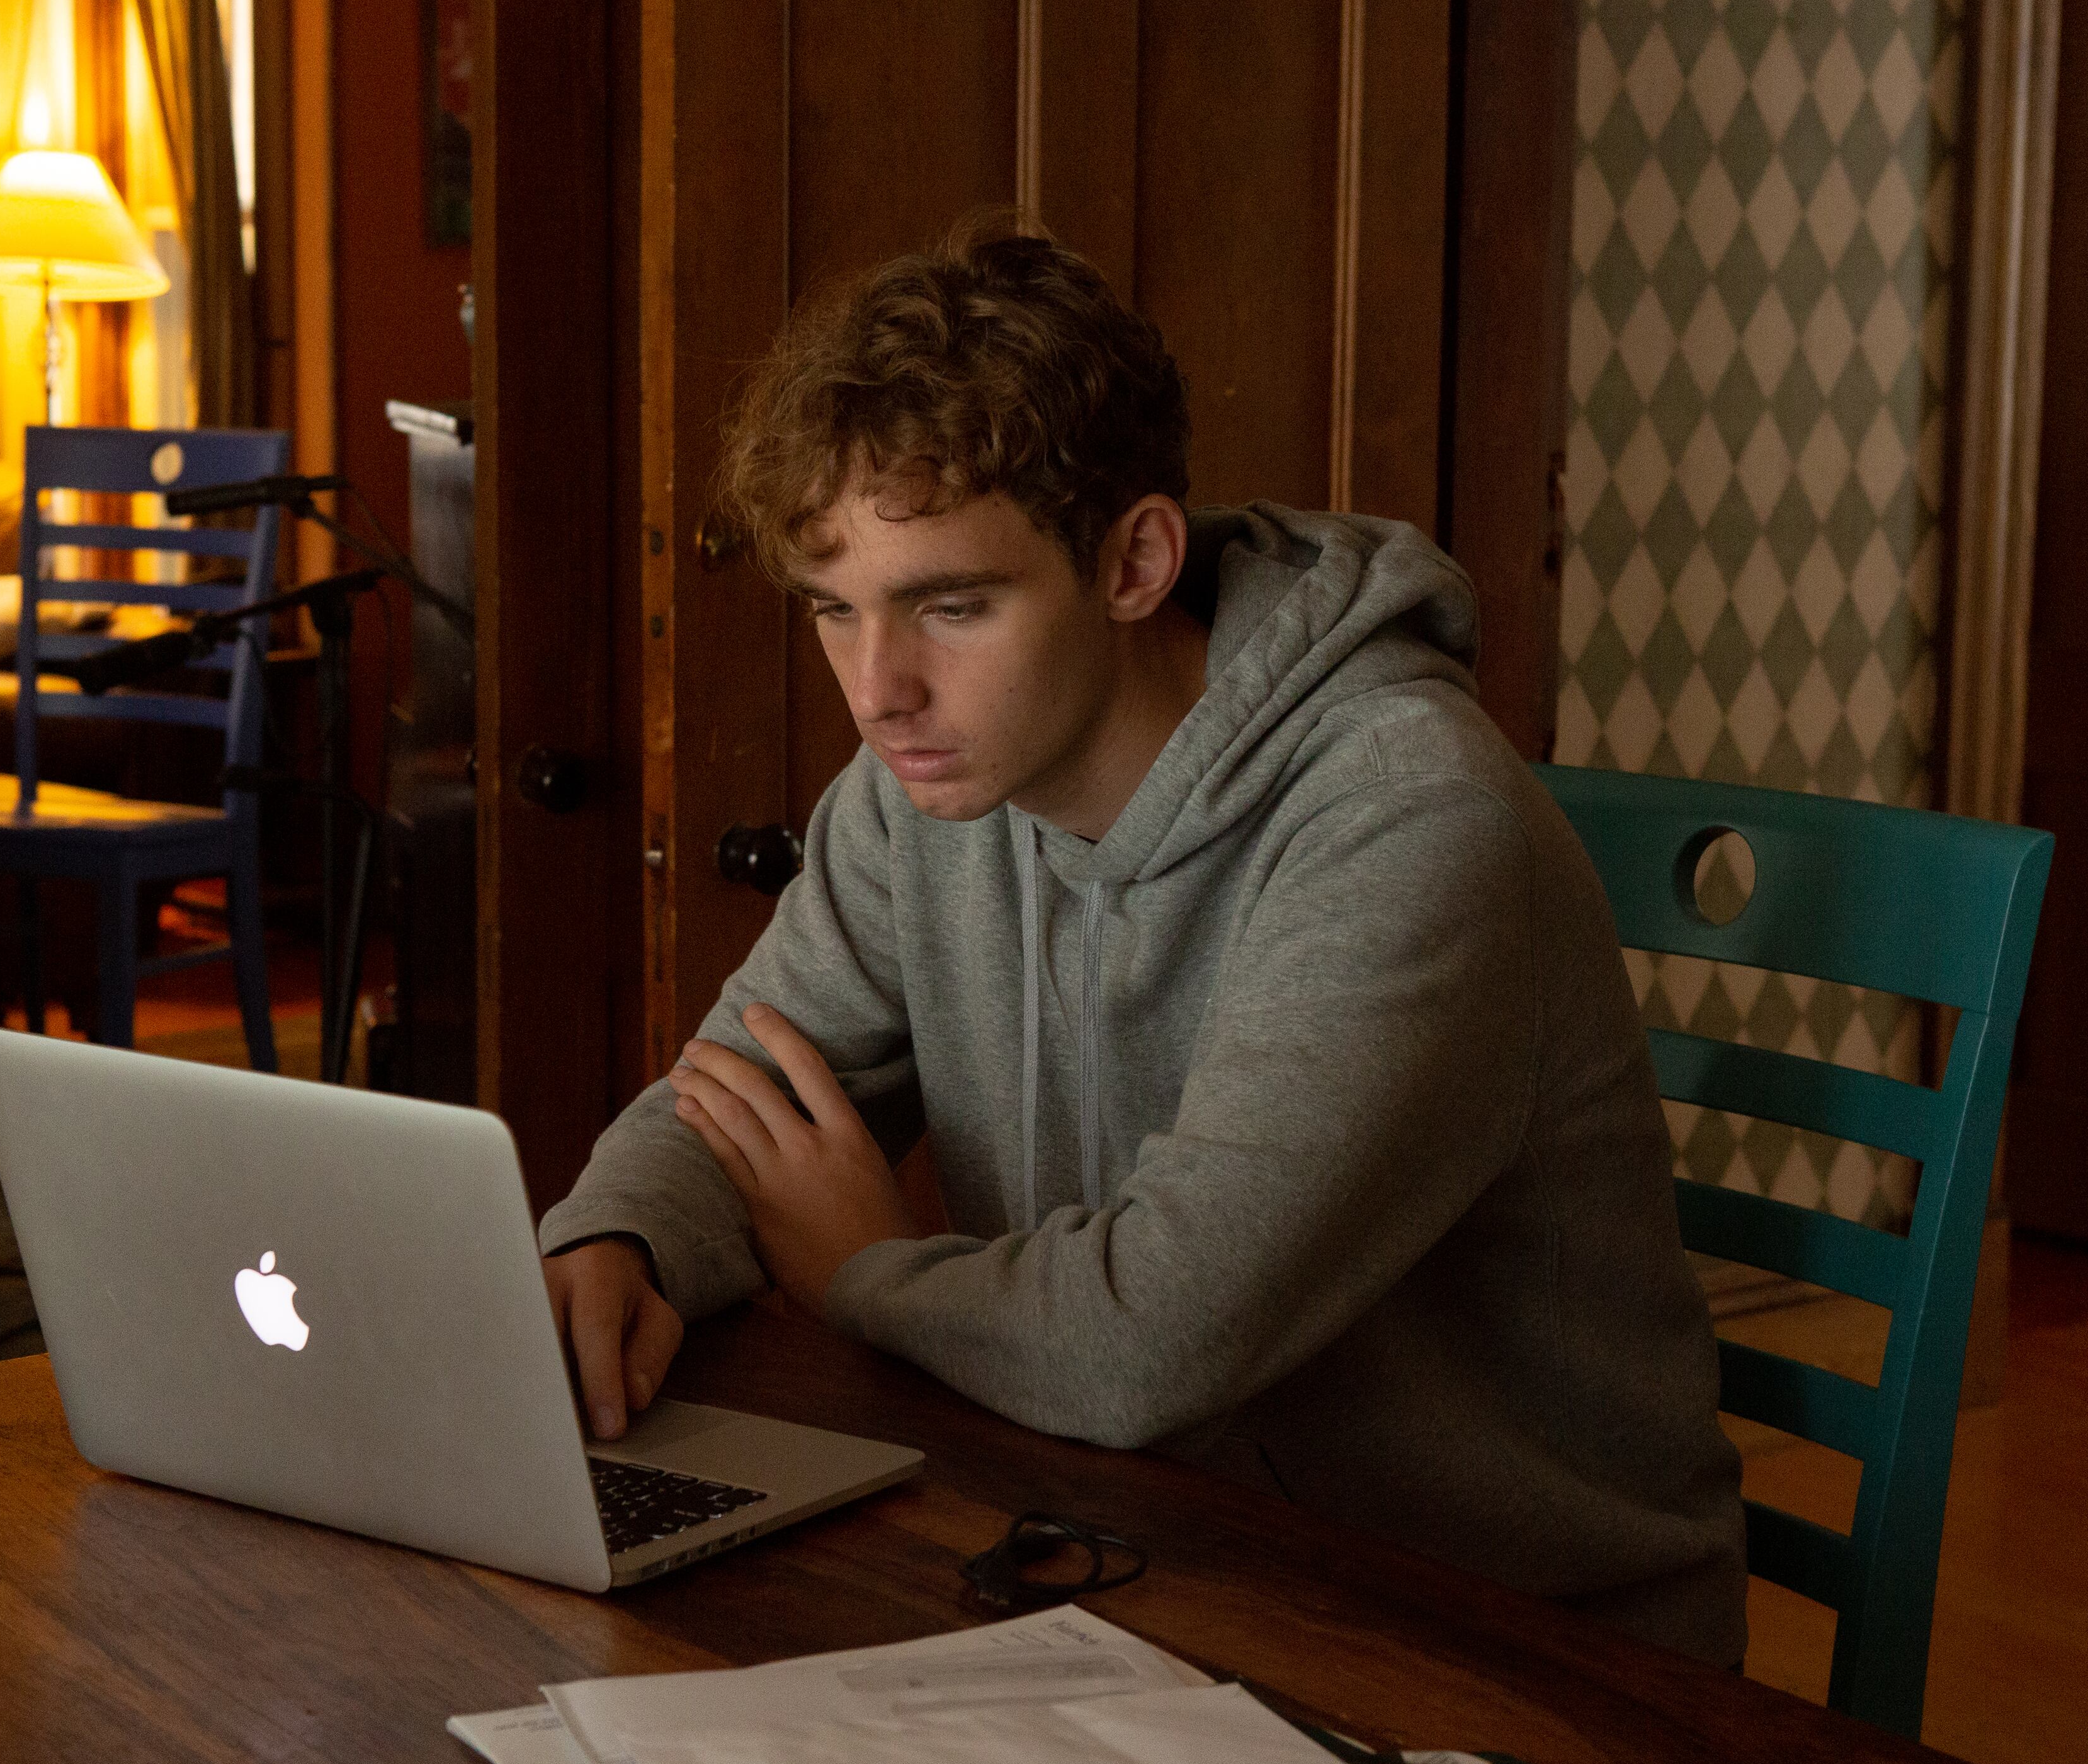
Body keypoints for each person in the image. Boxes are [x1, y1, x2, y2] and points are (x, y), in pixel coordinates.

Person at [533, 219, 1749, 1664]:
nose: (876, 690)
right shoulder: (918, 791)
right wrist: (616, 1237)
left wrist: (866, 1271)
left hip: (1505, 1650)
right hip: (1138, 1560)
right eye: (834, 612)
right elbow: (735, 1098)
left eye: (950, 606)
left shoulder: (1405, 820)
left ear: (1135, 562)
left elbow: (1152, 1342)